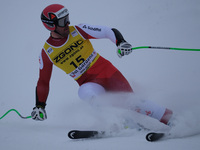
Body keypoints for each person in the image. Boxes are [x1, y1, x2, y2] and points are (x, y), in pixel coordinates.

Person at [31, 4, 173, 127]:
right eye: (63, 21)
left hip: (108, 74)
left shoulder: (78, 30)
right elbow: (43, 82)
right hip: (88, 83)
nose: (67, 23)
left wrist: (120, 42)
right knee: (86, 94)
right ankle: (121, 124)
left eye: (67, 18)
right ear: (51, 25)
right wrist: (40, 106)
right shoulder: (47, 53)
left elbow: (106, 31)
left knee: (132, 102)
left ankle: (172, 118)